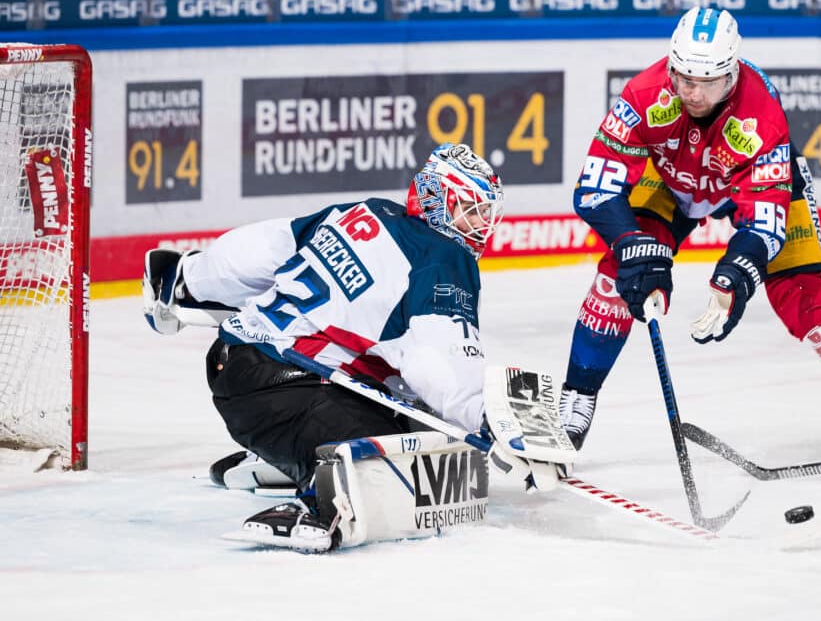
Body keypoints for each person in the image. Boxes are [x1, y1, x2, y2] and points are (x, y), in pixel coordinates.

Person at [142, 143, 563, 550]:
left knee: (419, 421)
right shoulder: (443, 260)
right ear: (437, 201)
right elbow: (439, 364)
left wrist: (189, 276)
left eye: (485, 213)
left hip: (236, 361)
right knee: (414, 462)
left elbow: (265, 246)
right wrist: (489, 421)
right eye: (470, 211)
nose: (481, 225)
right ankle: (318, 498)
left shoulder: (366, 213)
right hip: (286, 384)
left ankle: (287, 459)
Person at [560, 6, 821, 472]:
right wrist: (630, 242)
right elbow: (593, 188)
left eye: (706, 82)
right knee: (617, 276)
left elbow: (766, 224)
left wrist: (737, 273)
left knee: (802, 295)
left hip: (747, 188)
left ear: (731, 75)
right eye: (684, 77)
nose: (692, 92)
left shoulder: (763, 115)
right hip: (670, 181)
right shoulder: (644, 94)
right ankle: (575, 402)